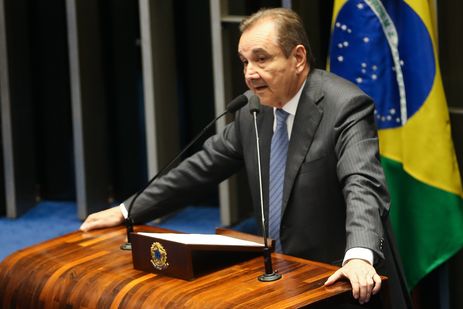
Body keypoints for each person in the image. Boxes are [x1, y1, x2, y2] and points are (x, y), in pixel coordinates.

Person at [81, 8, 392, 306]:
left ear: (297, 58)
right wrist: (128, 210)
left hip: (334, 278)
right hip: (276, 275)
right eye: (244, 62)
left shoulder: (345, 106)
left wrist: (359, 257)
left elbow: (362, 186)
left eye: (261, 59)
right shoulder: (252, 111)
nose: (249, 74)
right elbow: (198, 170)